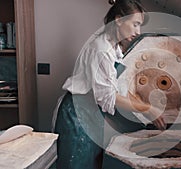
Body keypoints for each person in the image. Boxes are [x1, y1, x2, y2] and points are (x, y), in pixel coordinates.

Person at [53, 0, 166, 168]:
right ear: (119, 19)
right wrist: (147, 109)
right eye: (135, 24)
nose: (138, 31)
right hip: (76, 115)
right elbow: (109, 97)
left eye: (139, 26)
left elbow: (118, 89)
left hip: (92, 115)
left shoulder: (115, 49)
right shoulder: (101, 49)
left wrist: (145, 107)